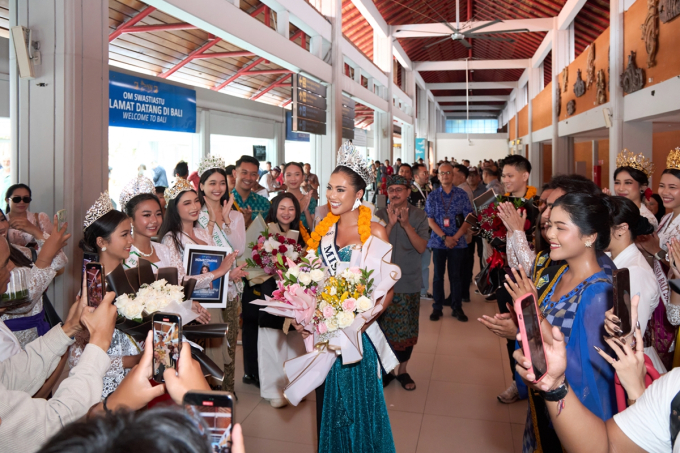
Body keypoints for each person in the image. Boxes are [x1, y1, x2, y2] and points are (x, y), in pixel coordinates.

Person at [505, 192, 617, 453]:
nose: (550, 234)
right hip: (546, 400)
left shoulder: (599, 294)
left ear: (590, 236)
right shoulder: (561, 273)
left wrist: (534, 311)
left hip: (574, 412)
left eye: (560, 227)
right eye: (549, 225)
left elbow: (587, 373)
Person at [302, 142, 395, 453]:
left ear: (359, 195)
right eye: (329, 188)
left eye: (341, 190)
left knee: (360, 406)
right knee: (331, 404)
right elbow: (311, 280)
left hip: (360, 336)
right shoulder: (323, 231)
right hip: (325, 335)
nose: (332, 195)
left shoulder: (377, 232)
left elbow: (386, 292)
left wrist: (356, 322)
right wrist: (307, 315)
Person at [159, 179, 245, 392]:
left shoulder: (203, 232)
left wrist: (228, 273)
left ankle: (215, 398)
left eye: (196, 201)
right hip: (194, 307)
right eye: (187, 203)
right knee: (204, 361)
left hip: (214, 300)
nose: (195, 207)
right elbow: (180, 281)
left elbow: (217, 264)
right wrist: (218, 272)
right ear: (175, 209)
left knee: (217, 355)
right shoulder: (171, 239)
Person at [120, 176, 210, 323]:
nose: (154, 221)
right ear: (130, 219)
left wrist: (188, 306)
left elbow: (173, 291)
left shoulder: (163, 250)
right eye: (146, 215)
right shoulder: (124, 255)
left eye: (158, 214)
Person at [196, 155, 247, 393]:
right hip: (206, 286)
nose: (218, 188)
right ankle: (207, 390)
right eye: (212, 183)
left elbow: (240, 248)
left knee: (228, 341)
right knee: (206, 343)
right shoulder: (195, 215)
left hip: (229, 287)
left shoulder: (235, 215)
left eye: (222, 183)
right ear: (202, 186)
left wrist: (226, 221)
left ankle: (227, 390)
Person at [376, 175, 429, 391]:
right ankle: (385, 369)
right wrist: (388, 225)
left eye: (399, 189)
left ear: (408, 192)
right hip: (382, 284)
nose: (395, 193)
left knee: (406, 331)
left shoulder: (418, 215)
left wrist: (406, 225)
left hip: (408, 281)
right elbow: (376, 247)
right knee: (382, 329)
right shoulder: (379, 215)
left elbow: (421, 247)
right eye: (391, 190)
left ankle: (403, 370)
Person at [258, 193, 307, 408]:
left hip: (295, 295)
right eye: (282, 208)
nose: (286, 213)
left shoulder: (303, 236)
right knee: (271, 342)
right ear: (275, 209)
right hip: (270, 291)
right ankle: (273, 390)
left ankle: (295, 386)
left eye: (291, 209)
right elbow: (255, 265)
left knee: (295, 343)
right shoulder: (263, 234)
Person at [603, 196, 660, 369]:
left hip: (634, 366)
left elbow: (631, 338)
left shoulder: (634, 272)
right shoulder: (610, 259)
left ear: (621, 229)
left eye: (600, 225)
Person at [637, 150, 680, 370]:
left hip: (673, 297)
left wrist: (656, 251)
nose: (664, 192)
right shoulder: (666, 217)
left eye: (672, 187)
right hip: (658, 293)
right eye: (662, 186)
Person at [426, 162, 473, 322]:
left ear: (453, 176)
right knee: (438, 277)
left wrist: (456, 237)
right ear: (438, 176)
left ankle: (457, 307)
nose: (445, 176)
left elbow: (469, 218)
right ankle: (437, 307)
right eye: (442, 173)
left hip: (458, 243)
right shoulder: (432, 196)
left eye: (448, 173)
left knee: (456, 277)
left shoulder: (461, 194)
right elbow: (430, 220)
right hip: (439, 242)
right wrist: (445, 238)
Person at [613, 149, 658, 229]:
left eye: (628, 183)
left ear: (643, 187)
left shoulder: (646, 219)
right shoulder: (613, 211)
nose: (621, 188)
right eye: (617, 183)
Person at [410, 163, 433, 298]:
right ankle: (412, 289)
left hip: (427, 232)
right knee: (413, 262)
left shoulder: (428, 190)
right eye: (424, 173)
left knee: (425, 263)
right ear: (416, 176)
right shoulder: (409, 191)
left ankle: (423, 291)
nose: (427, 175)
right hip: (413, 232)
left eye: (427, 173)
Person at [231, 155, 271, 228]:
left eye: (253, 174)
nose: (248, 178)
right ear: (235, 173)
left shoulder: (264, 204)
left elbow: (268, 235)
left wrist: (250, 222)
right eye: (244, 172)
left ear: (257, 176)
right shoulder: (224, 200)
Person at [284, 162, 317, 231]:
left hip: (306, 240)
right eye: (289, 175)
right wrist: (298, 211)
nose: (293, 179)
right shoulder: (277, 201)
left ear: (303, 177)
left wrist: (306, 210)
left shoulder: (310, 201)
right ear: (283, 178)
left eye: (297, 174)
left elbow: (313, 229)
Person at [467, 167, 486, 271]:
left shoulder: (485, 190)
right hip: (467, 226)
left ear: (478, 177)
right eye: (469, 175)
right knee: (468, 254)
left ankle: (483, 277)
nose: (471, 178)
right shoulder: (463, 190)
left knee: (481, 253)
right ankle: (468, 278)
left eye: (473, 175)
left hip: (481, 226)